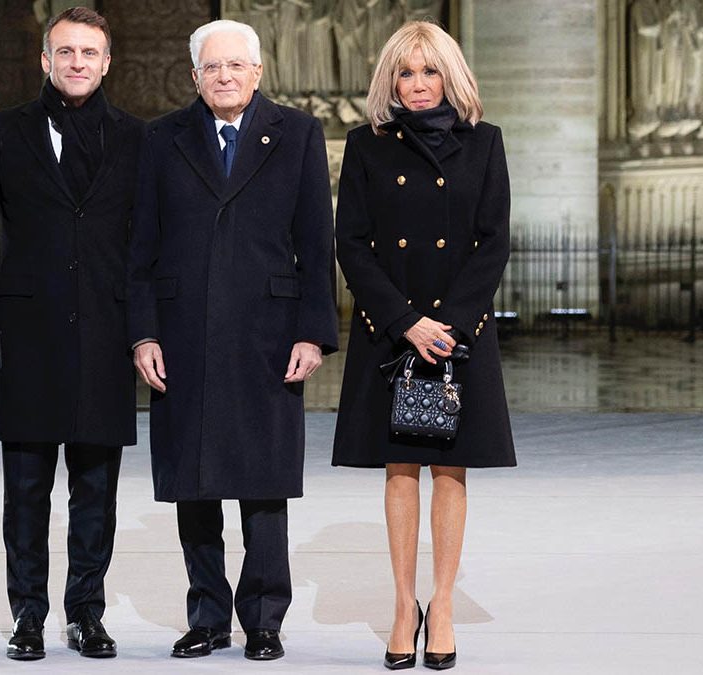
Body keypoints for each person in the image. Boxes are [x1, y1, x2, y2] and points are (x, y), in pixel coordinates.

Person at [127, 19, 338, 662]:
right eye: (212, 68)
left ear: (258, 70)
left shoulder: (298, 133)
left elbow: (315, 240)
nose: (224, 77)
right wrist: (143, 334)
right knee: (194, 482)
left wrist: (314, 333)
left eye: (236, 66)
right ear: (195, 76)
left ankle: (265, 618)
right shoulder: (161, 138)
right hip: (183, 332)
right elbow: (141, 245)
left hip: (268, 335)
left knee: (263, 481)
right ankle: (208, 615)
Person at [332, 20, 516, 671]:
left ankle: (441, 604)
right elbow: (350, 242)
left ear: (450, 76)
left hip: (460, 333)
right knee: (400, 468)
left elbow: (493, 239)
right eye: (405, 72)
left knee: (450, 469)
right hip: (393, 330)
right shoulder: (366, 145)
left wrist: (452, 323)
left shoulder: (485, 144)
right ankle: (402, 604)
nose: (416, 83)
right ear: (391, 79)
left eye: (428, 71)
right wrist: (406, 320)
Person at [0, 6, 143, 661]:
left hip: (106, 336)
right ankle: (27, 613)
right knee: (24, 492)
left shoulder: (139, 139)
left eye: (90, 52)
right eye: (66, 51)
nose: (78, 62)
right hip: (25, 336)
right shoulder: (1, 134)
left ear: (107, 62)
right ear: (45, 60)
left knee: (96, 492)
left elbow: (146, 242)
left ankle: (85, 612)